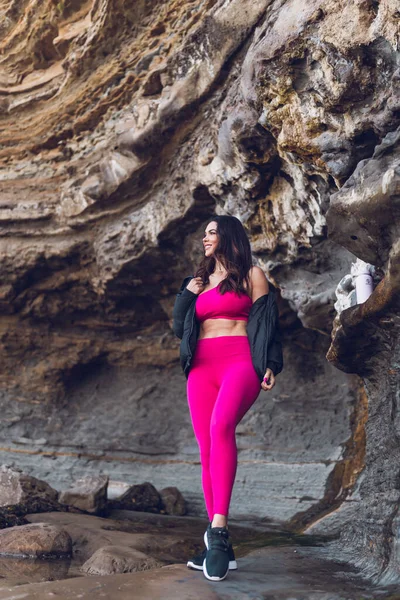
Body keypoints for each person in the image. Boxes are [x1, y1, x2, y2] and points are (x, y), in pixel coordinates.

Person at [172, 215, 283, 582]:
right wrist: (189, 290)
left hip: (240, 361)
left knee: (221, 426)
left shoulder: (252, 274)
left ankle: (218, 531)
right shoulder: (198, 283)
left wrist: (271, 364)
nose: (205, 238)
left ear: (228, 236)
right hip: (201, 367)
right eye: (203, 233)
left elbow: (267, 323)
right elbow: (178, 326)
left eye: (212, 232)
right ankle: (220, 548)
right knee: (206, 447)